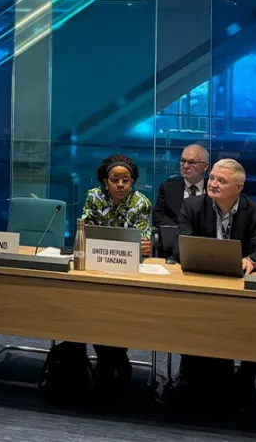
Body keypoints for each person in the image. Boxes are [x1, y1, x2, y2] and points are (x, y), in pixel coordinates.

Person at [173, 158, 256, 405]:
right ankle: (191, 369)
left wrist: (251, 261)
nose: (213, 184)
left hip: (239, 285)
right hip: (201, 282)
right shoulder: (192, 206)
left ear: (238, 188)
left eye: (221, 181)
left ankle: (246, 376)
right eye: (212, 178)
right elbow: (179, 246)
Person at [80, 154, 152, 388]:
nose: (121, 185)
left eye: (126, 180)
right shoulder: (94, 197)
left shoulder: (141, 202)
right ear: (105, 181)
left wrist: (141, 245)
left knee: (114, 309)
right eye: (115, 180)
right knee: (92, 307)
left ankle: (108, 361)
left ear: (132, 182)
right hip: (98, 264)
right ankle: (115, 359)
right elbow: (85, 230)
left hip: (128, 270)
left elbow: (143, 244)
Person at [153, 144, 210, 234]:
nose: (185, 166)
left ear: (205, 166)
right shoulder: (168, 188)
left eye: (191, 162)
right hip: (175, 238)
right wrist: (182, 231)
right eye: (183, 161)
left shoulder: (213, 189)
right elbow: (158, 217)